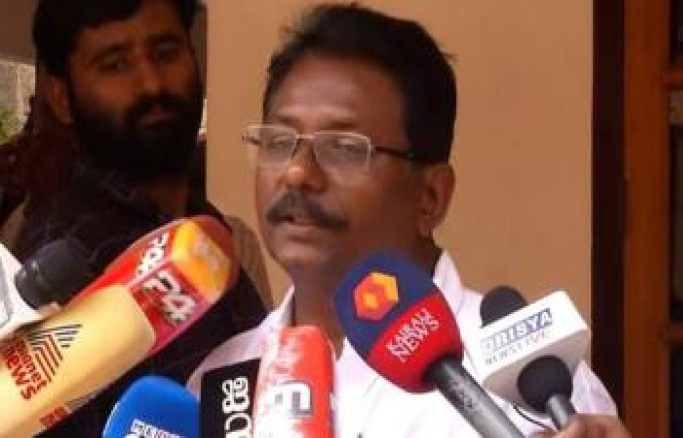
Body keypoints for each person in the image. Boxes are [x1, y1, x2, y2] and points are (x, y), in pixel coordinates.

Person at [188, 3, 628, 436]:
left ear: (431, 197)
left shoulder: (524, 389)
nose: (298, 173)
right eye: (279, 142)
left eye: (343, 147)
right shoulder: (221, 384)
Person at [18, 0, 267, 435]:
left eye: (166, 53)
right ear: (62, 98)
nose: (152, 84)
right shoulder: (65, 258)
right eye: (115, 65)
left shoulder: (205, 229)